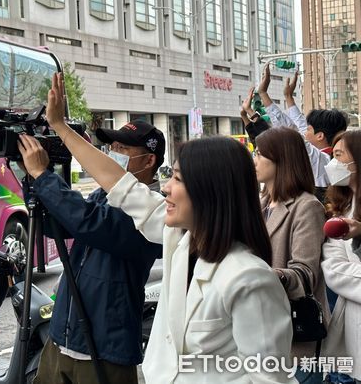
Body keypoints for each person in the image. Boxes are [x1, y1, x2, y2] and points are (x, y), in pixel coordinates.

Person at [35, 72, 296, 383]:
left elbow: (269, 379)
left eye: (178, 179)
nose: (167, 189)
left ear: (211, 194)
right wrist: (61, 129)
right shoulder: (179, 239)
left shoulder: (250, 279)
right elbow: (122, 186)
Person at [18, 120, 165, 384]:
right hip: (63, 335)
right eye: (111, 146)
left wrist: (43, 176)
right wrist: (33, 178)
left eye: (123, 148)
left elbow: (89, 222)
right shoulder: (102, 194)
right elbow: (59, 226)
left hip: (105, 347)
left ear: (148, 160)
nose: (112, 152)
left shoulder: (154, 214)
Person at [253, 127, 327, 383]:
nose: (255, 160)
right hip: (258, 330)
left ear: (281, 158)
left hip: (294, 337)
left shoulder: (307, 206)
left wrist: (262, 275)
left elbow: (306, 274)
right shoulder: (258, 204)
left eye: (260, 154)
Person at [257, 64, 348, 195]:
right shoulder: (329, 157)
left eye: (308, 129)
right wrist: (289, 97)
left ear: (320, 136)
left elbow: (290, 131)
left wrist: (263, 94)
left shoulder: (323, 160)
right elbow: (297, 124)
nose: (304, 131)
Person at [321, 130, 361, 383]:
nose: (333, 164)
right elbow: (333, 267)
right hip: (352, 322)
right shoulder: (344, 206)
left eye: (339, 155)